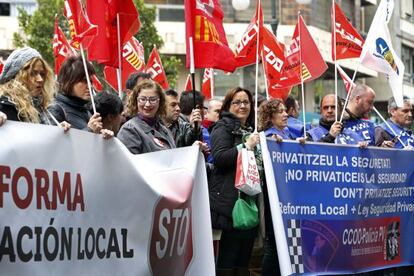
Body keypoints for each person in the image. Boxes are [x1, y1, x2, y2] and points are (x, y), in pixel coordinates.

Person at [209, 87, 260, 275]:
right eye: (237, 102)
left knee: (243, 263)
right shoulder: (222, 126)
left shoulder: (253, 130)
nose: (242, 106)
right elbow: (220, 158)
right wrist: (245, 146)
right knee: (227, 261)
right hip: (229, 204)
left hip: (249, 201)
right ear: (228, 105)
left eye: (246, 102)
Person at [0, 47, 69, 130]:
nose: (40, 79)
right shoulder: (5, 107)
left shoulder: (40, 106)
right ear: (17, 77)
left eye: (42, 74)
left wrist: (56, 132)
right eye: (33, 73)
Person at [48, 55, 105, 135]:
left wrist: (103, 136)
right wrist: (89, 130)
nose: (90, 86)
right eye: (85, 81)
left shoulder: (86, 111)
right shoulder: (55, 109)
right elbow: (56, 143)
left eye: (90, 82)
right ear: (69, 81)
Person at [117, 79, 175, 154]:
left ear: (160, 101)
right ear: (136, 100)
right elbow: (129, 163)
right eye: (143, 99)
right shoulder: (130, 129)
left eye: (152, 100)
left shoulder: (165, 130)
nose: (147, 104)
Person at [337, 83, 393, 148]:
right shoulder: (337, 122)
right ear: (357, 99)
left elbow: (376, 154)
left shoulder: (371, 125)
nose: (372, 108)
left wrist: (383, 147)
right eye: (369, 103)